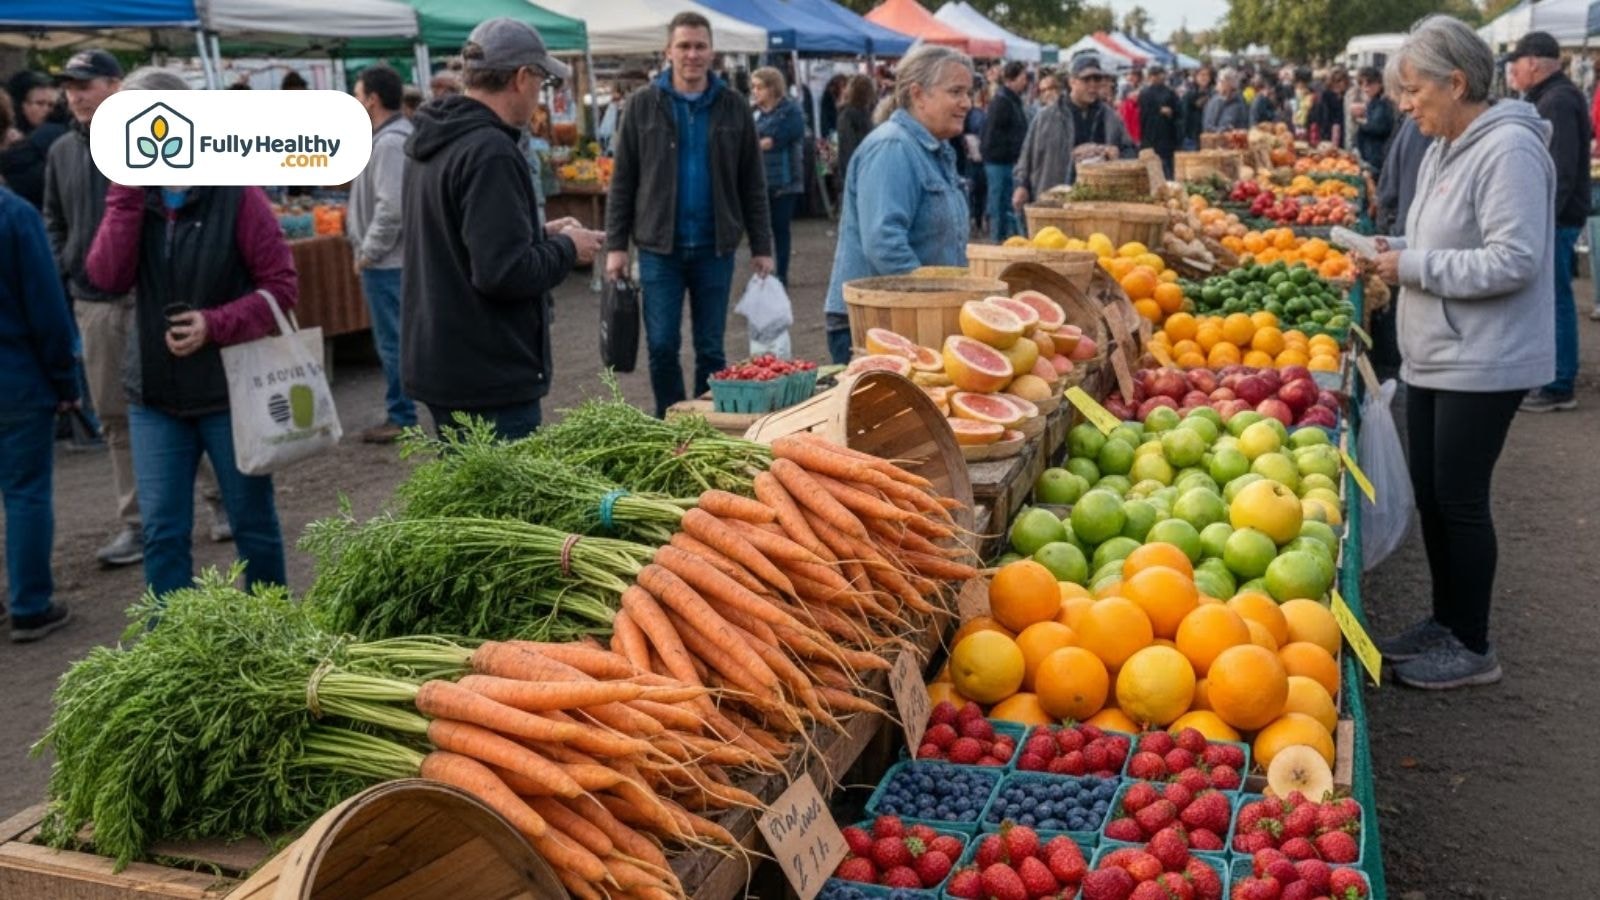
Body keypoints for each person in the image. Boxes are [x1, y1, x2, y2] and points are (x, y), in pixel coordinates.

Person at [1365, 16, 1555, 690]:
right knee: (1434, 496)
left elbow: (1515, 259)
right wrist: (1396, 257)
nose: (1406, 103)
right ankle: (1445, 622)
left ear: (1458, 80)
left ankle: (1473, 645)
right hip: (1440, 352)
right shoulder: (1450, 146)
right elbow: (1444, 241)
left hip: (1485, 356)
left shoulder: (1509, 150)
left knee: (1461, 498)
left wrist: (1412, 267)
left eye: (1415, 89)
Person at [83, 67, 297, 598]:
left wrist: (214, 324)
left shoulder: (236, 194)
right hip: (154, 394)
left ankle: (273, 630)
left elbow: (281, 288)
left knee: (252, 524)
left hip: (230, 391)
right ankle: (172, 645)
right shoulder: (133, 194)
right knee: (162, 533)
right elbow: (105, 277)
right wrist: (126, 194)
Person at [402, 19, 603, 439]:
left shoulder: (436, 138)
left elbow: (461, 241)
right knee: (503, 505)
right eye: (541, 80)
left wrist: (536, 233)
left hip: (446, 361)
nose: (539, 95)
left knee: (465, 501)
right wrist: (568, 248)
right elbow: (502, 273)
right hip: (486, 375)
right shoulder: (490, 151)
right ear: (521, 77)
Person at [604, 12, 773, 417]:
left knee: (711, 347)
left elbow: (753, 183)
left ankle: (707, 422)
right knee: (661, 345)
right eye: (684, 46)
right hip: (660, 248)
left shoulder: (732, 106)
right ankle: (671, 419)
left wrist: (763, 246)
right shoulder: (643, 105)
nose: (692, 54)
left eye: (699, 46)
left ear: (712, 51)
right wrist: (616, 246)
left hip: (715, 247)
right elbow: (622, 180)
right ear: (668, 51)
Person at [42, 48, 148, 567]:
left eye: (85, 83)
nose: (75, 94)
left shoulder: (144, 136)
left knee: (183, 403)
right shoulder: (62, 150)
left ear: (116, 85)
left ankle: (220, 503)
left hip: (149, 297)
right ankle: (137, 523)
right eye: (69, 85)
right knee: (114, 417)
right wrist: (70, 262)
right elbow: (52, 216)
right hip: (95, 305)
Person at [823, 45, 975, 365]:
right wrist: (934, 300)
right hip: (877, 322)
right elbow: (884, 242)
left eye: (969, 92)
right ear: (918, 94)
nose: (967, 103)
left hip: (911, 317)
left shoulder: (937, 151)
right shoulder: (893, 147)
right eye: (956, 92)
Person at [0, 184, 77, 641]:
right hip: (16, 378)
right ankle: (29, 604)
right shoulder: (15, 214)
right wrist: (65, 380)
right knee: (26, 491)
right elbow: (46, 307)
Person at [1506, 32, 1591, 413]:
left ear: (1533, 63)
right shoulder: (1554, 97)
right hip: (1555, 218)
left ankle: (1559, 384)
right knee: (1553, 297)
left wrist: (1541, 221)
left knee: (1555, 299)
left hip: (1556, 220)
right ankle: (1553, 378)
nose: (1514, 72)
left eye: (1516, 64)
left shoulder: (1556, 101)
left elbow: (1562, 170)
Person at [348, 64, 416, 444]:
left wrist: (369, 252)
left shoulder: (390, 143)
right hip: (391, 260)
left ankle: (402, 416)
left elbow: (392, 208)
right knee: (397, 340)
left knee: (393, 342)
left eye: (358, 96)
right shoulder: (390, 138)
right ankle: (403, 410)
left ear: (372, 99)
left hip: (389, 262)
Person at [1011, 56, 1134, 211]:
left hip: (1098, 204)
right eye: (1086, 80)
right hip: (1054, 201)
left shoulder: (1110, 117)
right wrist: (1021, 186)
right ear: (1072, 81)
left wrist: (1118, 155)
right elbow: (1026, 155)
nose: (1093, 86)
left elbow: (1130, 152)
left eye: (1097, 80)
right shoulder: (1046, 117)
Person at [751, 67, 806, 287]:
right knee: (763, 229)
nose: (755, 92)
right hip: (761, 180)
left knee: (780, 228)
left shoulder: (790, 112)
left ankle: (781, 273)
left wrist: (762, 141)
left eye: (759, 87)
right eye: (753, 87)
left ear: (772, 87)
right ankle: (765, 272)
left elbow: (774, 140)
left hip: (785, 181)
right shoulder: (756, 113)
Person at [0, 72, 67, 210]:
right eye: (40, 103)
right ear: (21, 104)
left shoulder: (53, 134)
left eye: (51, 105)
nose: (46, 110)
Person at [980, 61, 1029, 242]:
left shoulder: (1010, 100)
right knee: (999, 206)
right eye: (1023, 78)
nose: (1026, 82)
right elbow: (991, 135)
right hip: (999, 163)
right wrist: (1009, 152)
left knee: (1005, 205)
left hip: (1006, 162)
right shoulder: (1002, 102)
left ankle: (1003, 241)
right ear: (1012, 79)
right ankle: (997, 242)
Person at [1138, 65, 1181, 178]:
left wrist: (1170, 112)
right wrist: (1158, 110)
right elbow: (1143, 112)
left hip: (1167, 134)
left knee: (1167, 164)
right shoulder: (1145, 93)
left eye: (1159, 75)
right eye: (1154, 75)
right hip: (1150, 134)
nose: (1157, 78)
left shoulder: (1169, 92)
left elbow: (1178, 111)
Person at [1351, 66, 1395, 172]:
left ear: (1379, 83)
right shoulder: (1373, 101)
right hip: (1370, 155)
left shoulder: (1383, 103)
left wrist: (1360, 121)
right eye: (1361, 83)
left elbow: (1379, 127)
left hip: (1377, 157)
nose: (1365, 87)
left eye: (1369, 83)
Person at [836, 74, 875, 180]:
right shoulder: (869, 116)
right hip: (867, 173)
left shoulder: (847, 116)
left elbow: (847, 152)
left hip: (856, 175)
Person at [1202, 69, 1248, 133]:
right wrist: (1224, 130)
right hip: (1218, 140)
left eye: (1220, 81)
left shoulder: (1240, 101)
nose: (1218, 84)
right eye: (1219, 81)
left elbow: (1244, 124)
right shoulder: (1215, 102)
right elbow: (1208, 127)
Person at [1309, 67, 1347, 144]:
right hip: (1328, 131)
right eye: (1334, 81)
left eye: (1340, 81)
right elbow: (1321, 116)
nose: (1337, 84)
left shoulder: (1348, 95)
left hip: (1344, 131)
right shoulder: (1326, 95)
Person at [1182, 66, 1213, 150]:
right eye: (1201, 75)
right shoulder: (1189, 95)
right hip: (1192, 135)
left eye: (1207, 75)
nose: (1204, 78)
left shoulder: (1214, 94)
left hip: (1209, 134)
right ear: (1196, 77)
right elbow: (1184, 115)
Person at [597, 84, 624, 154]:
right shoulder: (611, 105)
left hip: (612, 131)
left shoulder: (618, 105)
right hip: (608, 131)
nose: (614, 95)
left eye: (615, 93)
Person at [1118, 68, 1142, 145]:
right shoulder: (1125, 86)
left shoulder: (1141, 88)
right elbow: (1120, 100)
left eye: (1134, 75)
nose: (1131, 77)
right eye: (1130, 75)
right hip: (1127, 112)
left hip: (1136, 114)